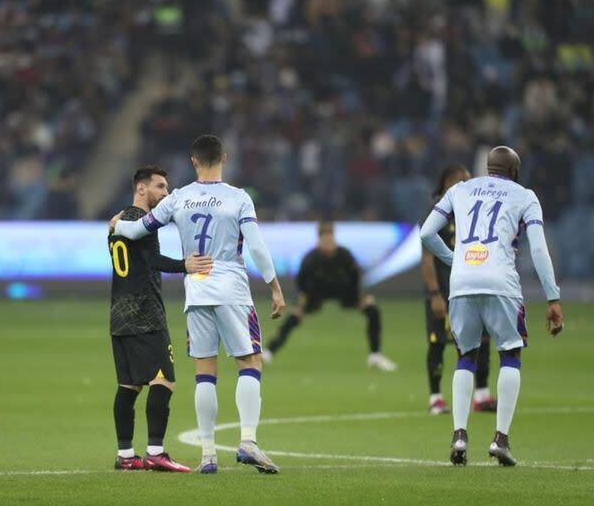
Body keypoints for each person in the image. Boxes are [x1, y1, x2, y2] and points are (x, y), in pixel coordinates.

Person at [111, 135, 286, 474]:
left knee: (205, 371)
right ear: (224, 157)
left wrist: (118, 223)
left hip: (197, 290)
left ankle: (207, 454)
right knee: (249, 361)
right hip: (231, 288)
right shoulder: (238, 198)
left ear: (193, 162)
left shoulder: (178, 199)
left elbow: (135, 232)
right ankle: (248, 441)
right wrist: (275, 287)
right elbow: (257, 247)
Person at [420, 146, 564, 467]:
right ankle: (500, 439)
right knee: (510, 354)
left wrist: (454, 258)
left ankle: (459, 434)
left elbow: (427, 232)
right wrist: (552, 297)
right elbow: (538, 250)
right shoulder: (525, 196)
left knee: (465, 356)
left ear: (488, 168)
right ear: (514, 171)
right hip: (501, 281)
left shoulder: (460, 189)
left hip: (461, 282)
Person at [108, 165, 213, 472]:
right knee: (164, 380)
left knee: (128, 386)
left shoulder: (116, 223)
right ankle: (156, 451)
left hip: (118, 314)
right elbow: (152, 261)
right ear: (142, 189)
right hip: (145, 314)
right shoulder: (140, 223)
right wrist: (186, 265)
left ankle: (126, 455)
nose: (165, 194)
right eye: (160, 187)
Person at [262, 222, 398, 372]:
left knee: (372, 309)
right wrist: (304, 299)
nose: (328, 243)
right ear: (319, 240)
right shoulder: (311, 258)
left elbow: (355, 277)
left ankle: (375, 356)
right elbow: (301, 281)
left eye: (330, 238)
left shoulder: (344, 255)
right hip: (316, 294)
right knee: (293, 317)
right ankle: (268, 352)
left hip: (344, 292)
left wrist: (358, 297)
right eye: (324, 239)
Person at [422, 165, 496, 415]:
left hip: (472, 287)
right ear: (446, 185)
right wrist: (434, 294)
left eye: (468, 180)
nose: (466, 185)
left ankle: (482, 394)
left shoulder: (475, 212)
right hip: (444, 291)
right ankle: (436, 398)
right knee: (438, 342)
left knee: (481, 340)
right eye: (460, 181)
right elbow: (427, 259)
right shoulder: (437, 214)